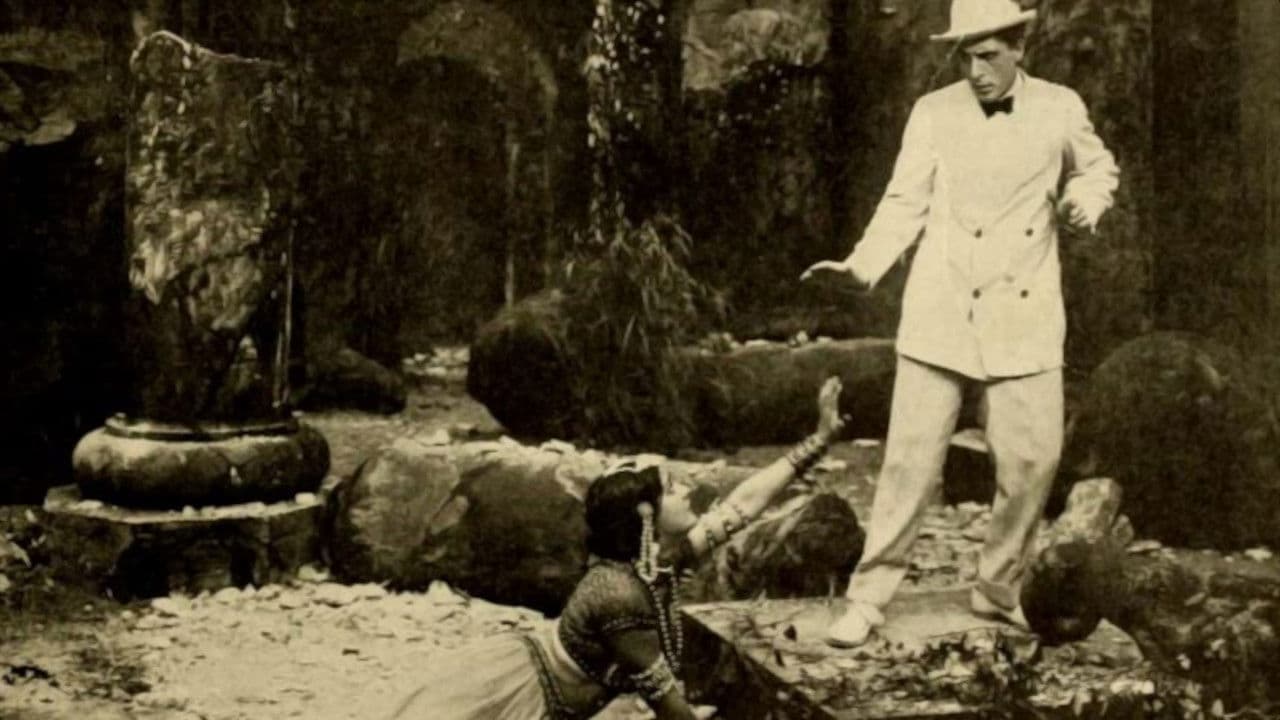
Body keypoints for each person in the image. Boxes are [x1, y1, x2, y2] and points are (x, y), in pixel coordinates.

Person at [801, 0, 1119, 648]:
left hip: (1023, 313)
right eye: (966, 57)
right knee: (909, 465)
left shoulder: (1060, 107)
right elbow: (903, 202)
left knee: (1033, 461)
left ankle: (999, 585)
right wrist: (862, 267)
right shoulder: (933, 112)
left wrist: (1085, 202)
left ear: (1019, 48)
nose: (976, 71)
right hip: (941, 310)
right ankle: (868, 596)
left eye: (989, 56)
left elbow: (1098, 169)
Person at [388, 377, 849, 719]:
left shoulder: (653, 564)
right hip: (522, 701)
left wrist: (819, 440)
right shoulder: (619, 597)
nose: (688, 491)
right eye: (673, 488)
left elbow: (741, 506)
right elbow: (671, 710)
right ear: (646, 515)